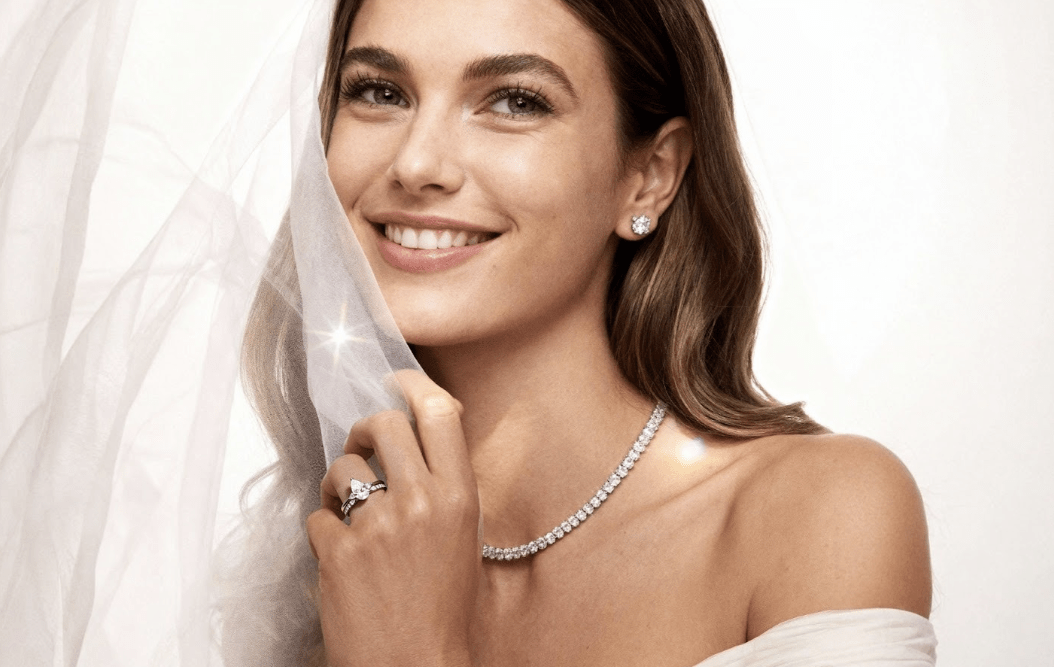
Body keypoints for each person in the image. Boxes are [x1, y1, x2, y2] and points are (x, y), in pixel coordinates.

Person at [236, 0, 936, 665]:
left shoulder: (818, 515)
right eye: (380, 92)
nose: (416, 165)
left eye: (515, 101)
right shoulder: (323, 546)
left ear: (649, 176)